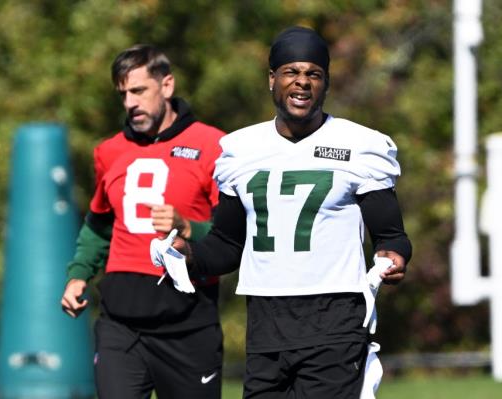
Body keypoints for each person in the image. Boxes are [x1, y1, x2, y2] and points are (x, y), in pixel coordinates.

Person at [168, 26, 412, 398]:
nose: (302, 83)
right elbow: (226, 245)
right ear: (272, 79)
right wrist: (188, 255)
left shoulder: (360, 146)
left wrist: (392, 257)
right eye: (291, 72)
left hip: (335, 315)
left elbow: (391, 235)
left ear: (326, 83)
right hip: (266, 319)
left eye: (313, 74)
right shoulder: (240, 149)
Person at [60, 44, 225, 399]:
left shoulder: (213, 145)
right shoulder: (109, 151)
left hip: (187, 324)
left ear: (166, 85)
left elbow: (232, 235)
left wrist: (187, 227)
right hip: (121, 325)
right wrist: (78, 274)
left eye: (138, 91)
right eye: (123, 94)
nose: (129, 103)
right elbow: (99, 224)